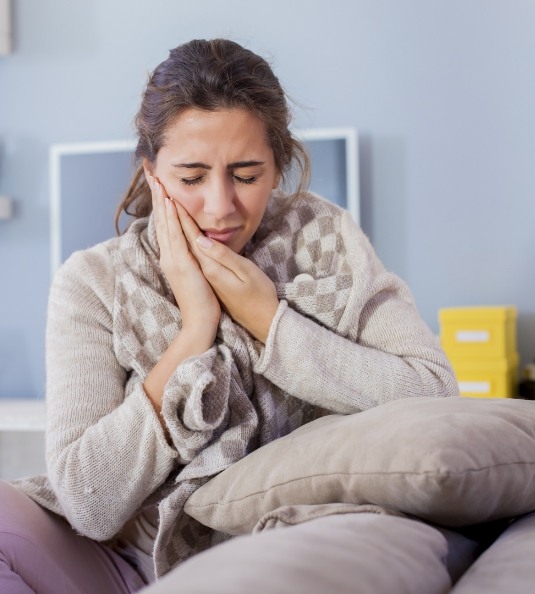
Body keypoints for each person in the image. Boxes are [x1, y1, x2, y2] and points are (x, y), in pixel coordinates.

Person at [0, 38, 458, 593]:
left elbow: (434, 394)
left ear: (278, 165)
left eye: (246, 175)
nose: (220, 207)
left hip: (285, 543)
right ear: (152, 174)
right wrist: (195, 330)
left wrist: (269, 322)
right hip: (128, 559)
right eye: (191, 178)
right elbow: (87, 504)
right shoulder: (92, 280)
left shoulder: (325, 241)